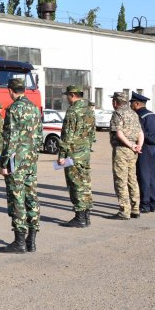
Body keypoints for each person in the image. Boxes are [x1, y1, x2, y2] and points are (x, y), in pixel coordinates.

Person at [0, 78, 43, 253]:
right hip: (31, 160)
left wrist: (4, 163)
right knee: (31, 197)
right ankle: (31, 240)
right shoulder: (33, 108)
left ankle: (19, 242)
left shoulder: (13, 109)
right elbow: (39, 136)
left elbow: (10, 139)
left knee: (17, 199)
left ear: (10, 90)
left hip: (16, 162)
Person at [58, 86, 96, 227]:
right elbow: (92, 134)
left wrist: (62, 155)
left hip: (73, 154)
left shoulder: (73, 111)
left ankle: (80, 217)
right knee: (85, 183)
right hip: (84, 153)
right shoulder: (89, 110)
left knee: (75, 184)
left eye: (68, 95)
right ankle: (86, 216)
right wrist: (86, 147)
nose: (67, 98)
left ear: (73, 95)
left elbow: (66, 136)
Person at [109, 92, 144, 219]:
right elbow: (140, 133)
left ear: (115, 102)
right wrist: (138, 146)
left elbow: (119, 134)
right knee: (132, 179)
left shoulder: (118, 114)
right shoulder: (134, 114)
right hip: (133, 151)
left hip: (122, 150)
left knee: (121, 180)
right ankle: (135, 209)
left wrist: (130, 145)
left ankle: (124, 211)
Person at [130, 92, 155, 213]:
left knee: (143, 177)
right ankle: (153, 203)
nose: (131, 105)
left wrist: (153, 141)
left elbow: (141, 134)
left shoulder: (138, 116)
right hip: (154, 150)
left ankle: (145, 204)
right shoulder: (153, 115)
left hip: (145, 149)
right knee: (152, 177)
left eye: (132, 103)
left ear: (137, 103)